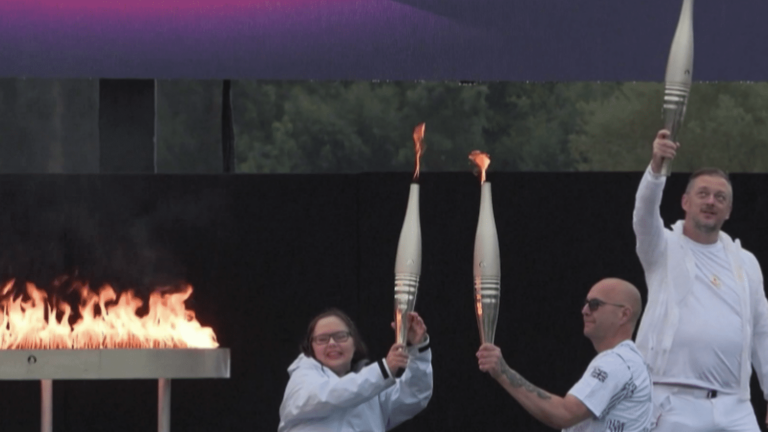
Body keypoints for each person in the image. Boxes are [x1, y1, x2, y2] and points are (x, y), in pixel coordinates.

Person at [633, 129, 768, 431]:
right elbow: (643, 215)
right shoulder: (662, 247)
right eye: (703, 194)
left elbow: (763, 332)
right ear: (685, 201)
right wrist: (656, 168)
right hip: (672, 401)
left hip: (736, 404)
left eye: (720, 197)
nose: (711, 202)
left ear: (729, 210)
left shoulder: (746, 262)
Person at [477, 278, 652, 431]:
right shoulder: (629, 362)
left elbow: (565, 414)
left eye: (595, 304)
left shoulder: (618, 362)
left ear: (624, 314)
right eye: (585, 303)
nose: (585, 310)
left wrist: (503, 373)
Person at [278, 308, 432, 431]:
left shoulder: (374, 389)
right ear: (310, 347)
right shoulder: (301, 379)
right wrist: (384, 370)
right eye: (322, 339)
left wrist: (419, 348)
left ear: (354, 343)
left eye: (341, 336)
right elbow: (333, 394)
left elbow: (415, 394)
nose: (332, 343)